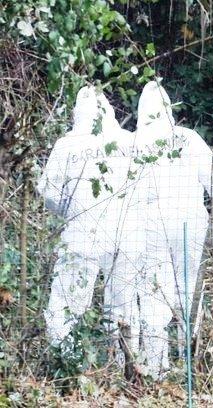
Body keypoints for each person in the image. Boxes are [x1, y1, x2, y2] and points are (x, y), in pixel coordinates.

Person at [134, 80, 213, 378]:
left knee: (153, 291)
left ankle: (156, 368)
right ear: (169, 109)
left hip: (150, 223)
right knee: (189, 288)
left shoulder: (133, 143)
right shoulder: (187, 138)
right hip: (189, 221)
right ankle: (190, 363)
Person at [37, 86, 144, 358]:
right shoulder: (129, 141)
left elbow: (49, 194)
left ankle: (67, 365)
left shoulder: (67, 145)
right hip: (126, 235)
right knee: (122, 307)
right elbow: (145, 188)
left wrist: (69, 210)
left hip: (82, 234)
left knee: (66, 304)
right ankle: (124, 369)